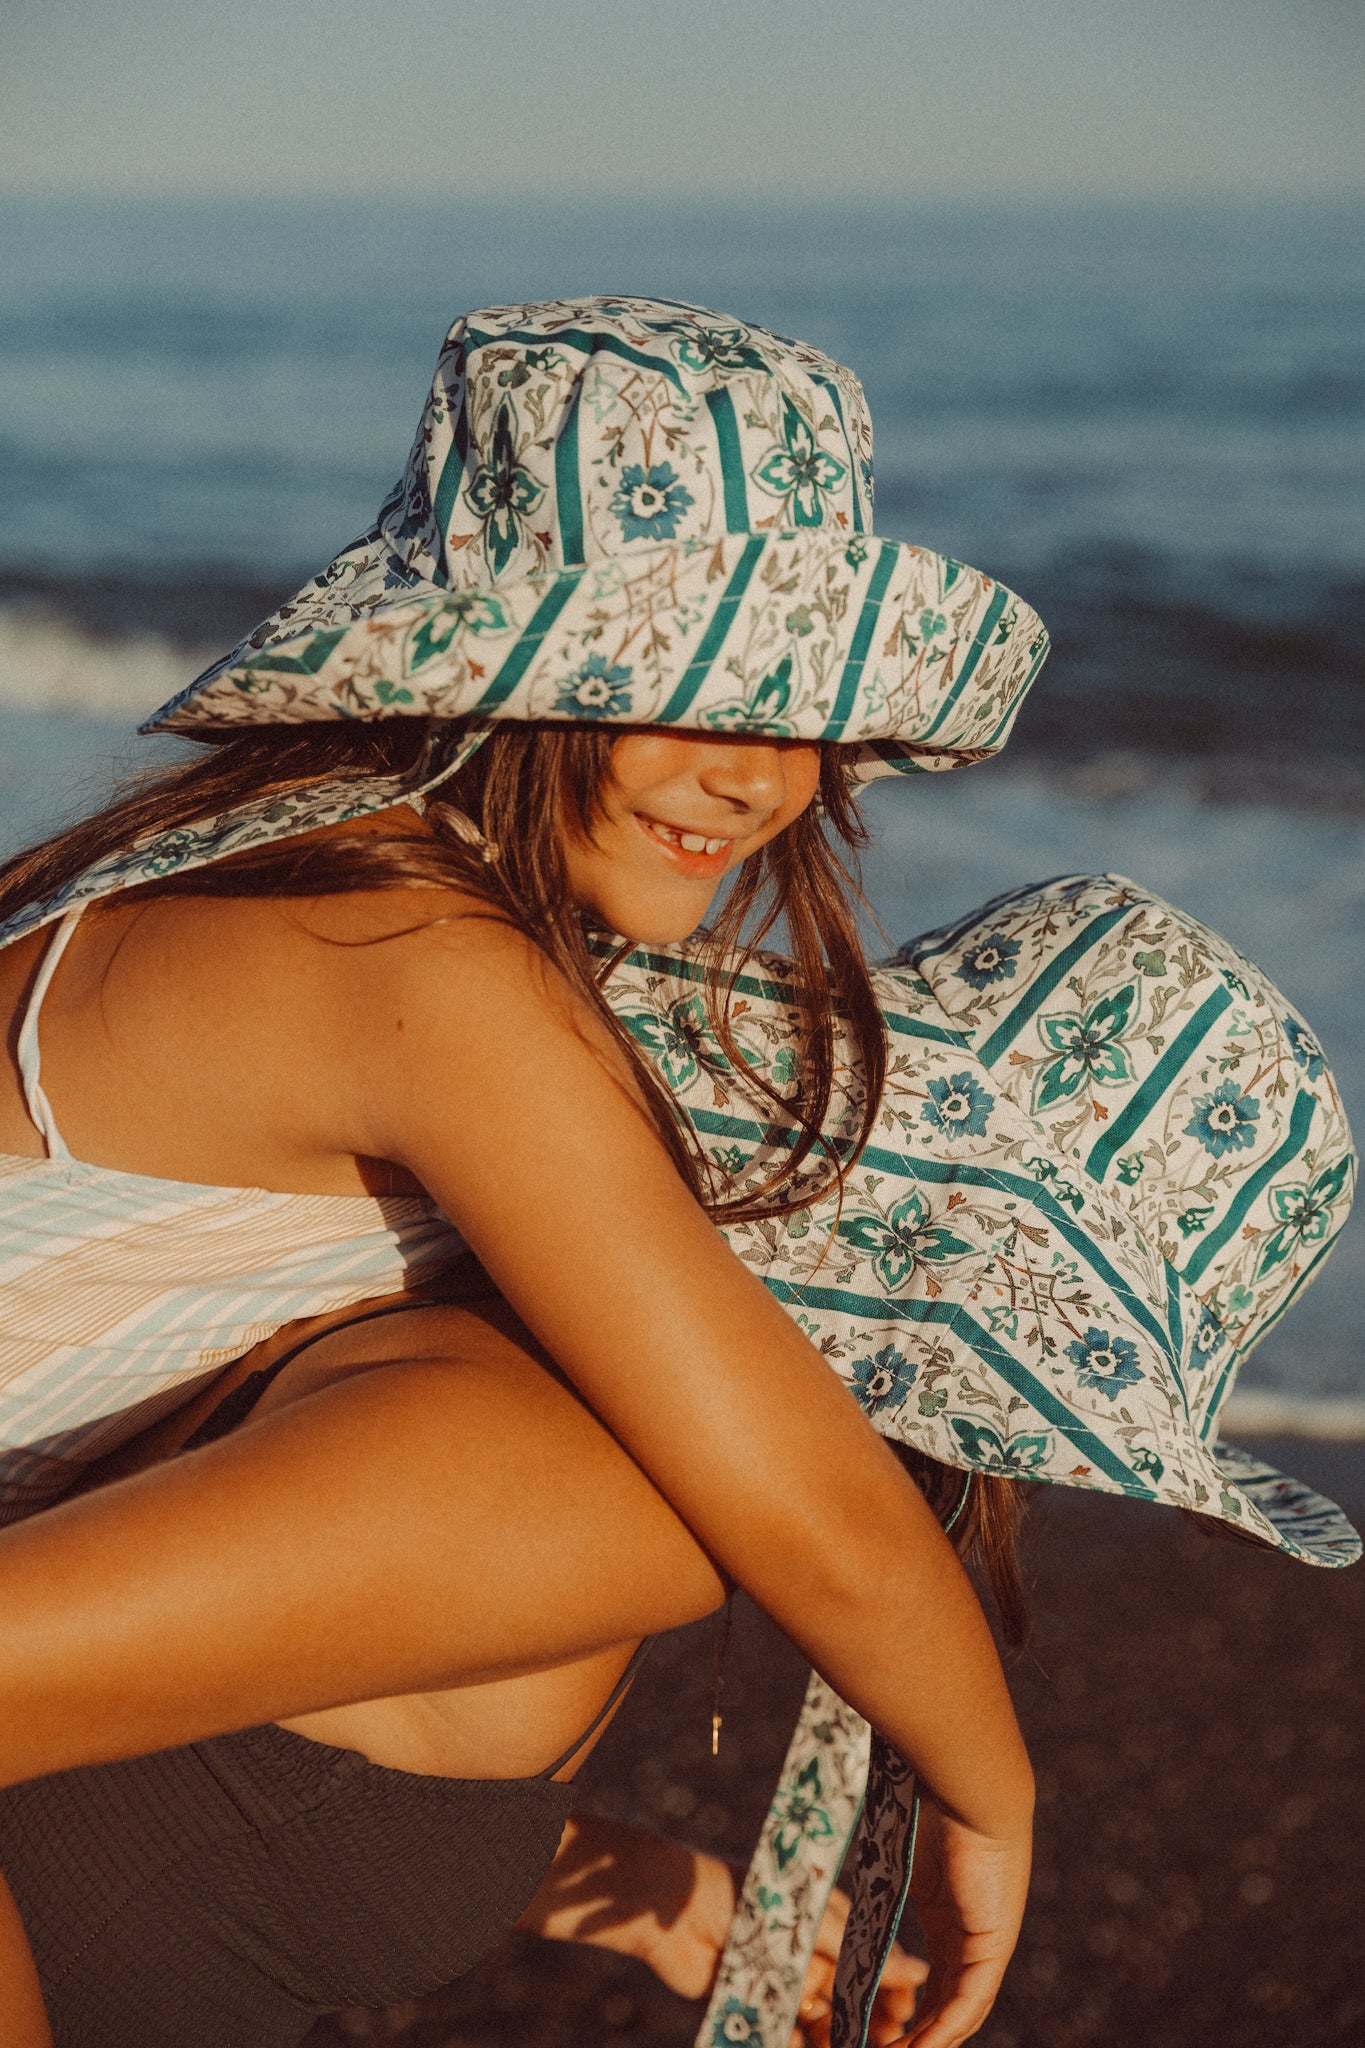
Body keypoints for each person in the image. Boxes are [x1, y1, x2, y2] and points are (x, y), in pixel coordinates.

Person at [0, 296, 1352, 2048]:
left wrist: (633, 1885)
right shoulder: (418, 967)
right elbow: (819, 1512)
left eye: (801, 715)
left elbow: (249, 1723)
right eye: (691, 687)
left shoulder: (279, 874)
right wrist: (987, 1803)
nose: (757, 776)